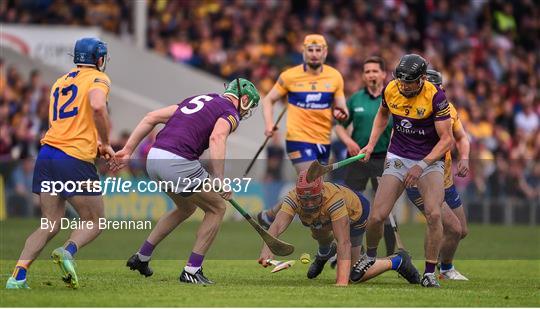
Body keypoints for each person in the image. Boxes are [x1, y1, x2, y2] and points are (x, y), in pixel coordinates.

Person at [116, 78, 260, 285]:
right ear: (244, 99)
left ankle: (142, 257)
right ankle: (192, 270)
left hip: (154, 159)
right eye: (249, 106)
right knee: (217, 208)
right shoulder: (231, 112)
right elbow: (217, 138)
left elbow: (151, 117)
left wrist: (128, 149)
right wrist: (219, 179)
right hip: (177, 161)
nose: (246, 113)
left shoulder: (199, 99)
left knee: (186, 208)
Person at [6, 38, 115, 289]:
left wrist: (94, 142)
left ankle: (17, 276)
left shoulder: (61, 81)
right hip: (73, 157)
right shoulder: (99, 79)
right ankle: (67, 251)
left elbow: (71, 122)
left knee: (49, 223)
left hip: (47, 155)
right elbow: (98, 106)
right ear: (99, 59)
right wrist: (106, 142)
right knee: (95, 220)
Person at [356, 54, 455, 288]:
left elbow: (447, 140)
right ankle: (369, 258)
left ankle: (430, 272)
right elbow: (382, 114)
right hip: (399, 156)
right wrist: (371, 144)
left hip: (429, 160)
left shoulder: (435, 96)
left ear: (421, 79)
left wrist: (421, 166)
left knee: (433, 214)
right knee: (377, 216)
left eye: (409, 82)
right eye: (401, 81)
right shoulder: (391, 88)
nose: (404, 85)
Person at [258, 171, 420, 286]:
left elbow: (343, 242)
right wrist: (267, 248)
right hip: (326, 218)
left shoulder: (333, 200)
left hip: (355, 215)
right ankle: (325, 251)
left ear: (320, 192)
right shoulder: (294, 197)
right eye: (304, 200)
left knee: (354, 274)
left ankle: (398, 261)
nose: (308, 204)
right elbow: (278, 224)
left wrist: (341, 282)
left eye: (313, 199)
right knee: (316, 226)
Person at [257, 34, 348, 228]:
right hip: (298, 139)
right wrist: (269, 123)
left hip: (323, 141)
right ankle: (314, 225)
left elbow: (341, 106)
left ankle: (271, 214)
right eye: (310, 50)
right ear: (304, 51)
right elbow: (268, 99)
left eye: (318, 50)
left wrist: (341, 113)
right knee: (311, 182)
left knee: (315, 187)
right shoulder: (290, 76)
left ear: (325, 52)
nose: (314, 54)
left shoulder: (334, 76)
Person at [405, 69, 470, 280]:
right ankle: (438, 269)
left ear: (440, 89)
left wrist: (465, 157)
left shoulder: (448, 109)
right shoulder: (413, 110)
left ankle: (442, 267)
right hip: (422, 181)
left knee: (461, 231)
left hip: (446, 181)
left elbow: (461, 138)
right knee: (449, 226)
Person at [335, 56, 396, 256]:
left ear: (383, 74)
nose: (371, 75)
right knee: (350, 207)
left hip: (383, 160)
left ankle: (392, 255)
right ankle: (351, 252)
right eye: (367, 71)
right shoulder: (355, 99)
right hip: (357, 159)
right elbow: (339, 127)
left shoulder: (392, 98)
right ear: (363, 76)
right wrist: (349, 142)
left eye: (374, 71)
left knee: (385, 212)